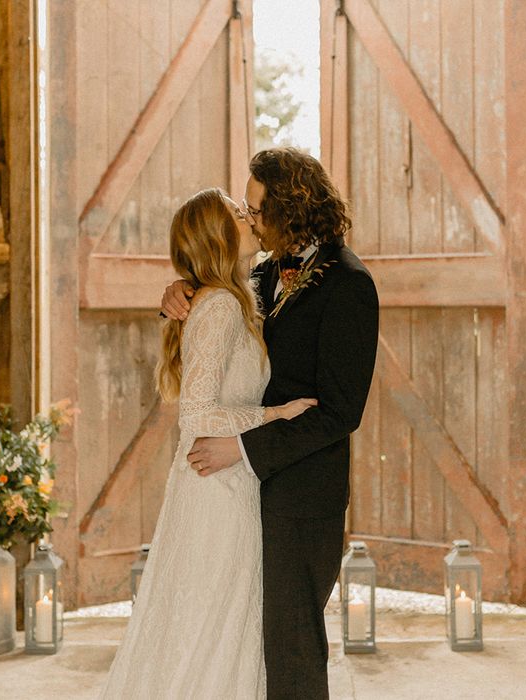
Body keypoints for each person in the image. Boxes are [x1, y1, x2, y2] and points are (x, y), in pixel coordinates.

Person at [162, 148, 379, 699]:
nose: (250, 220)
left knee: (292, 643)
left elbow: (338, 412)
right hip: (243, 494)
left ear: (289, 209)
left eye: (256, 210)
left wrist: (245, 448)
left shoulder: (349, 285)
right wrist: (175, 296)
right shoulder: (261, 273)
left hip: (302, 493)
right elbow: (217, 325)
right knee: (241, 638)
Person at [101, 188, 316, 699]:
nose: (250, 217)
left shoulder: (235, 296)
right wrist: (274, 414)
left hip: (228, 479)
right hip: (215, 485)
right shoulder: (219, 306)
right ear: (220, 235)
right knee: (211, 622)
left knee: (217, 623)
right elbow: (195, 415)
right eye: (239, 214)